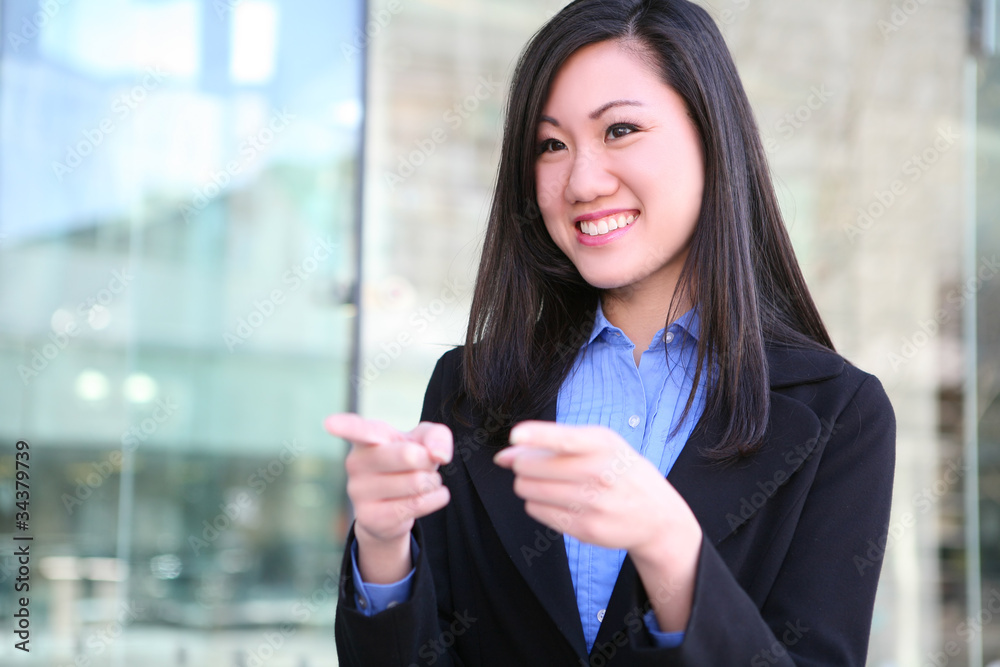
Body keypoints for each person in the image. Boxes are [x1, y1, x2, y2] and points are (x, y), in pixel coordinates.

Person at [326, 0, 896, 664]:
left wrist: (670, 547)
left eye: (620, 129)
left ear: (713, 137)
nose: (582, 181)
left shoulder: (837, 414)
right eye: (551, 145)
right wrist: (385, 547)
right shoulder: (471, 388)